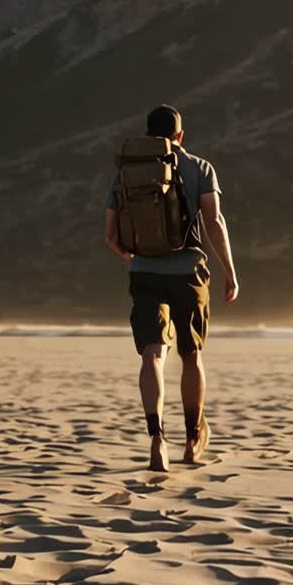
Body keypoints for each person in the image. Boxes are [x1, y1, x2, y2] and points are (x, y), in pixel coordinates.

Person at [105, 104, 239, 472]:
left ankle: (156, 439)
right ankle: (193, 439)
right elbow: (213, 222)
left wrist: (133, 258)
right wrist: (229, 270)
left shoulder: (127, 172)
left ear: (148, 134)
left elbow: (110, 235)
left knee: (152, 354)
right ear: (180, 135)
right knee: (190, 355)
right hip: (189, 272)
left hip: (145, 271)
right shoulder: (200, 168)